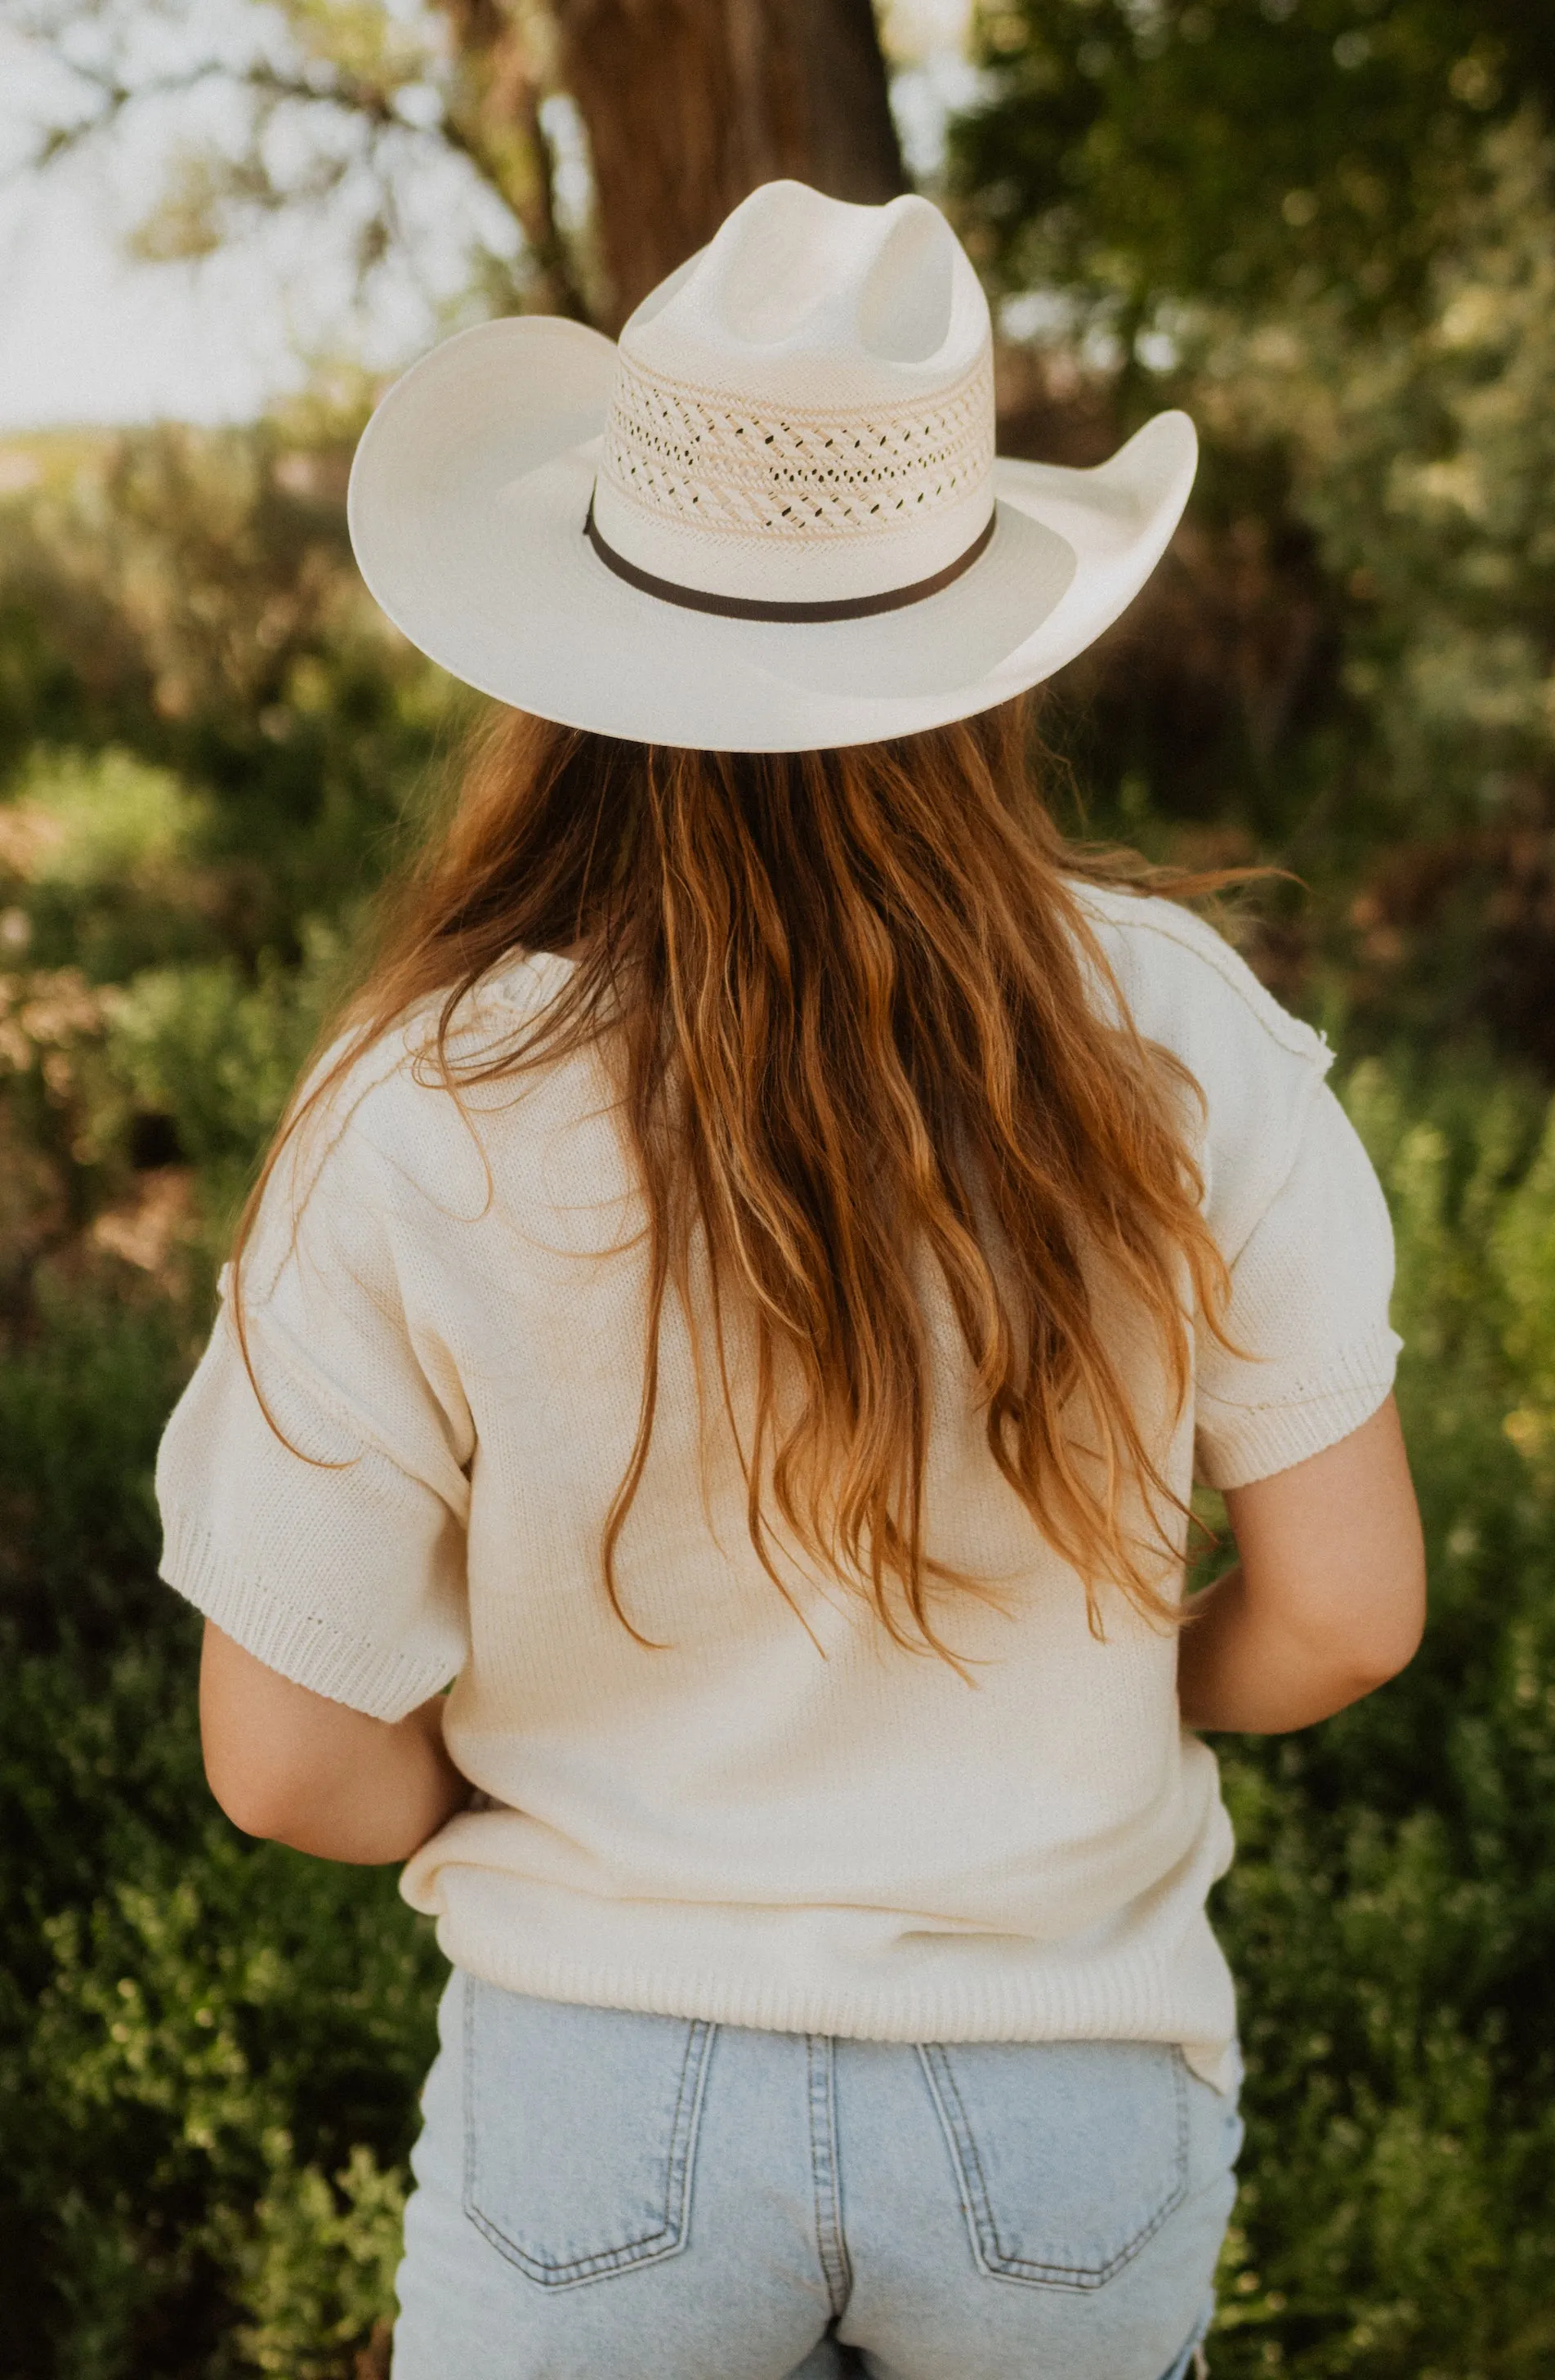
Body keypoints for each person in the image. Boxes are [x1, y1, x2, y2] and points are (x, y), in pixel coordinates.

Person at [155, 181, 1425, 2380]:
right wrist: (1079, 1727)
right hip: (1065, 2102)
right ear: (982, 644)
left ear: (575, 643)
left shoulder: (428, 1102)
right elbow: (1345, 1614)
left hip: (600, 2095)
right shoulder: (1177, 1034)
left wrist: (560, 1801)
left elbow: (282, 1763)